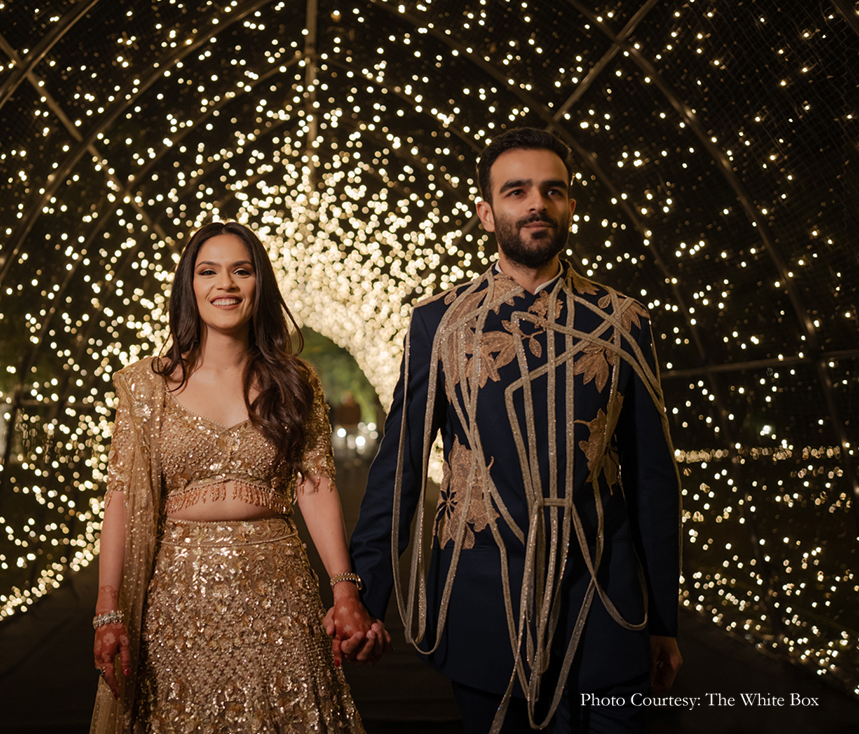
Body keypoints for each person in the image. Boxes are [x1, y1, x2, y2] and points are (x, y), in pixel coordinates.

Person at [348, 128, 683, 733]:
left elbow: (652, 479)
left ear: (571, 206)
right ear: (486, 212)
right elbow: (399, 467)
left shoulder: (622, 321)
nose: (537, 204)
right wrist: (362, 597)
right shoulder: (440, 324)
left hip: (602, 606)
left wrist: (664, 619)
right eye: (517, 191)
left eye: (552, 191)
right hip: (480, 603)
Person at [90, 221, 386, 734]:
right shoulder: (148, 386)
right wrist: (108, 608)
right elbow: (122, 497)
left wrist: (344, 592)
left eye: (240, 271)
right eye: (209, 271)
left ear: (259, 285)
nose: (224, 284)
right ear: (190, 285)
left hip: (280, 595)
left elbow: (315, 485)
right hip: (179, 602)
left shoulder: (295, 382)